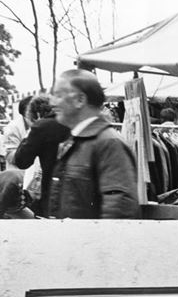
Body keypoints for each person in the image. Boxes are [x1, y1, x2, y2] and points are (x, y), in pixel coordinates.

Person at [49, 69, 138, 219]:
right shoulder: (78, 141)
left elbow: (118, 209)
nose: (52, 102)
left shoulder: (109, 143)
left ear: (80, 100)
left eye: (58, 95)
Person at [13, 93, 70, 216]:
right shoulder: (70, 120)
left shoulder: (41, 127)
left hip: (51, 190)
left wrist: (31, 132)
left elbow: (21, 161)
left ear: (37, 115)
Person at [3, 95, 32, 165]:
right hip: (20, 171)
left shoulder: (46, 124)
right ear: (26, 114)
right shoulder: (12, 128)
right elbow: (11, 157)